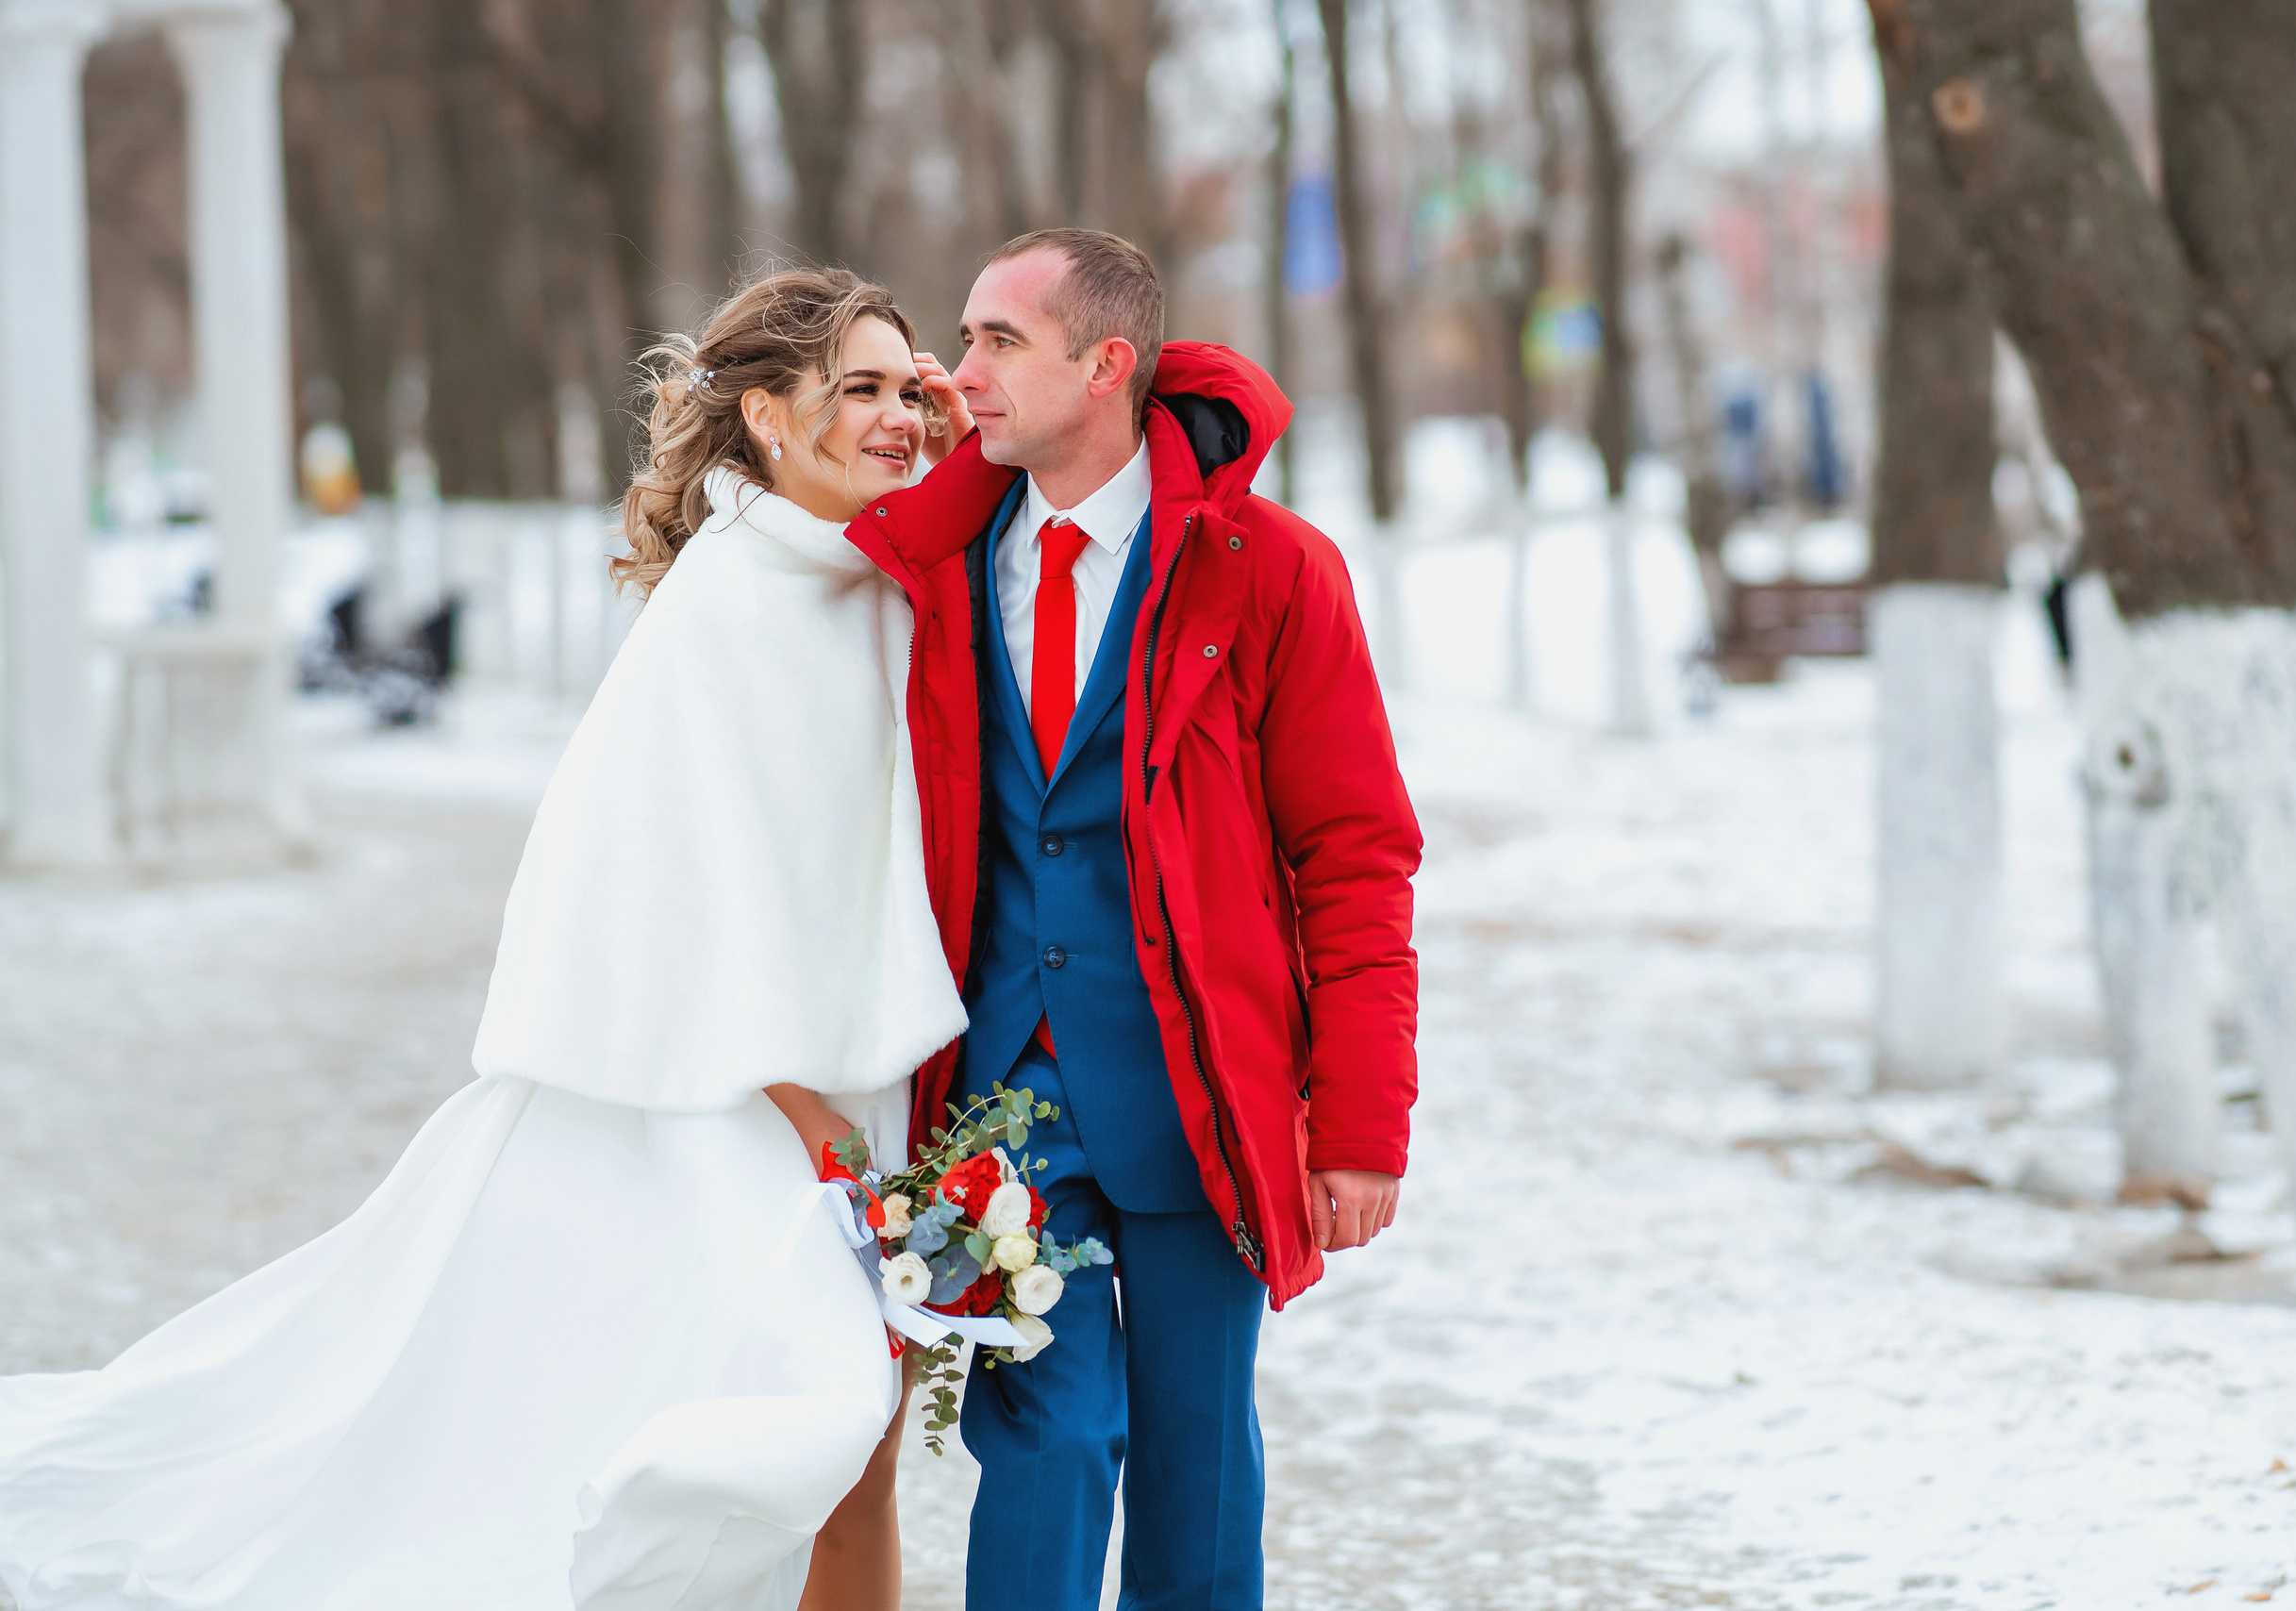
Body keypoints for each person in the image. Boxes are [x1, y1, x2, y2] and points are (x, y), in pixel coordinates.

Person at [0, 267, 968, 1611]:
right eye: (858, 389)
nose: (899, 416)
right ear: (763, 417)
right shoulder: (726, 606)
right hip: (729, 1110)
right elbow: (669, 897)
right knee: (799, 1437)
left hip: (860, 1103)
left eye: (909, 389)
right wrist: (820, 1133)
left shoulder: (876, 585)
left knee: (856, 1459)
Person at [861, 228, 1422, 1609]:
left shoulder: (1269, 569)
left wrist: (1359, 1128)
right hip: (999, 1097)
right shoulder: (933, 570)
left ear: (1107, 365)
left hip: (1202, 1091)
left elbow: (1355, 857)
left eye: (999, 341)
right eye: (965, 338)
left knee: (1197, 1458)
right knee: (1047, 1438)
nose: (960, 374)